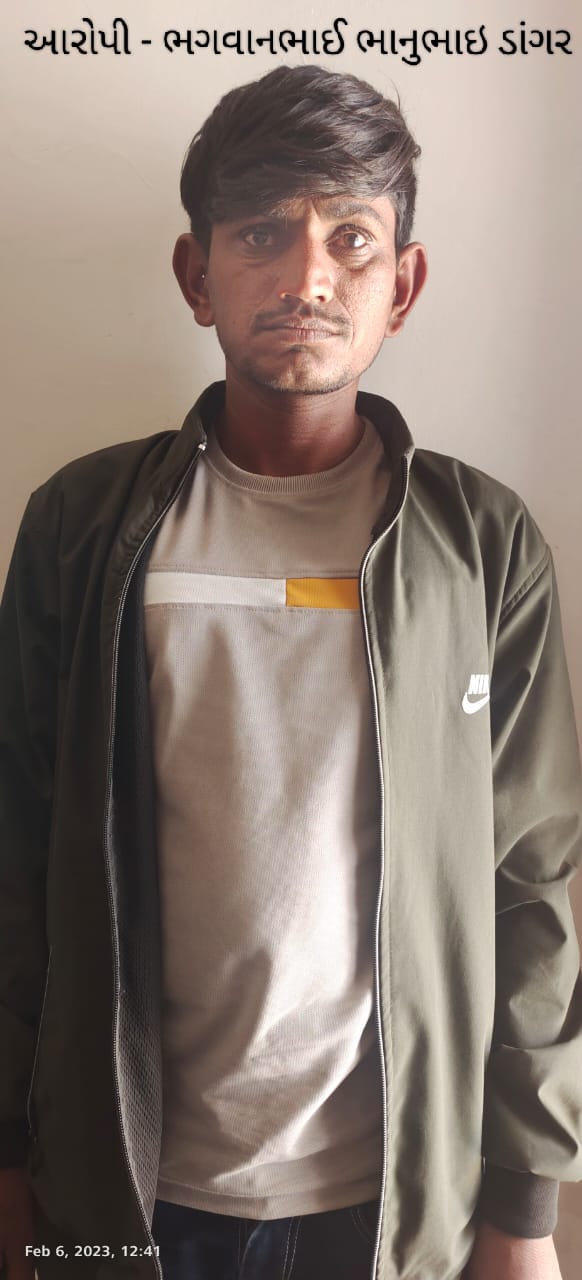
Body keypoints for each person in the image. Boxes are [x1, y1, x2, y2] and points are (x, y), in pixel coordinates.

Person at [0, 63, 581, 1280]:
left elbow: (534, 881)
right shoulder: (82, 526)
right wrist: (12, 1162)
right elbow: (16, 859)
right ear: (196, 273)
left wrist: (524, 1206)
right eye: (263, 232)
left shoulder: (481, 546)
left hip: (395, 1197)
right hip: (122, 1184)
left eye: (350, 237)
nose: (308, 277)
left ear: (402, 285)